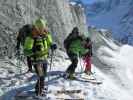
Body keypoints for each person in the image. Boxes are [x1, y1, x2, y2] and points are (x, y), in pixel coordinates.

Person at [18, 18, 57, 96]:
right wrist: (34, 50)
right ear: (36, 27)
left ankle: (40, 88)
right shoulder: (31, 37)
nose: (41, 30)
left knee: (44, 75)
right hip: (36, 60)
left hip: (44, 58)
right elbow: (26, 51)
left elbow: (49, 42)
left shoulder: (46, 34)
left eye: (43, 28)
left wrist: (52, 45)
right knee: (41, 76)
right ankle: (38, 93)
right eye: (39, 28)